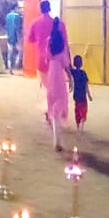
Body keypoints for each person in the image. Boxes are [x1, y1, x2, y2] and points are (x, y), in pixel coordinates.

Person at [42, 10, 72, 151]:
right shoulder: (62, 44)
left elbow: (46, 58)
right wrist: (70, 77)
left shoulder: (49, 42)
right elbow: (66, 64)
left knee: (52, 101)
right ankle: (57, 141)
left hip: (51, 74)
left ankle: (56, 140)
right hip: (59, 74)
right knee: (59, 104)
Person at [27, 0, 55, 80]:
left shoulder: (35, 23)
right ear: (49, 8)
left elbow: (30, 39)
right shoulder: (55, 23)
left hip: (41, 56)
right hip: (54, 57)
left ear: (40, 9)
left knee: (44, 83)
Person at [70, 54, 91, 133]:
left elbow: (68, 67)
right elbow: (86, 85)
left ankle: (78, 126)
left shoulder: (74, 73)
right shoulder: (83, 73)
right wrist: (89, 95)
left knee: (77, 110)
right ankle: (82, 121)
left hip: (76, 95)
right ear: (81, 63)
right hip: (83, 96)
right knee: (83, 110)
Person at [3, 1, 24, 72]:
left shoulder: (7, 16)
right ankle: (16, 63)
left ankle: (9, 67)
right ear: (15, 8)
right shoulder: (17, 16)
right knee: (20, 51)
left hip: (9, 36)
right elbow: (17, 28)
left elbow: (6, 27)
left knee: (10, 52)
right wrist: (19, 37)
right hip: (16, 37)